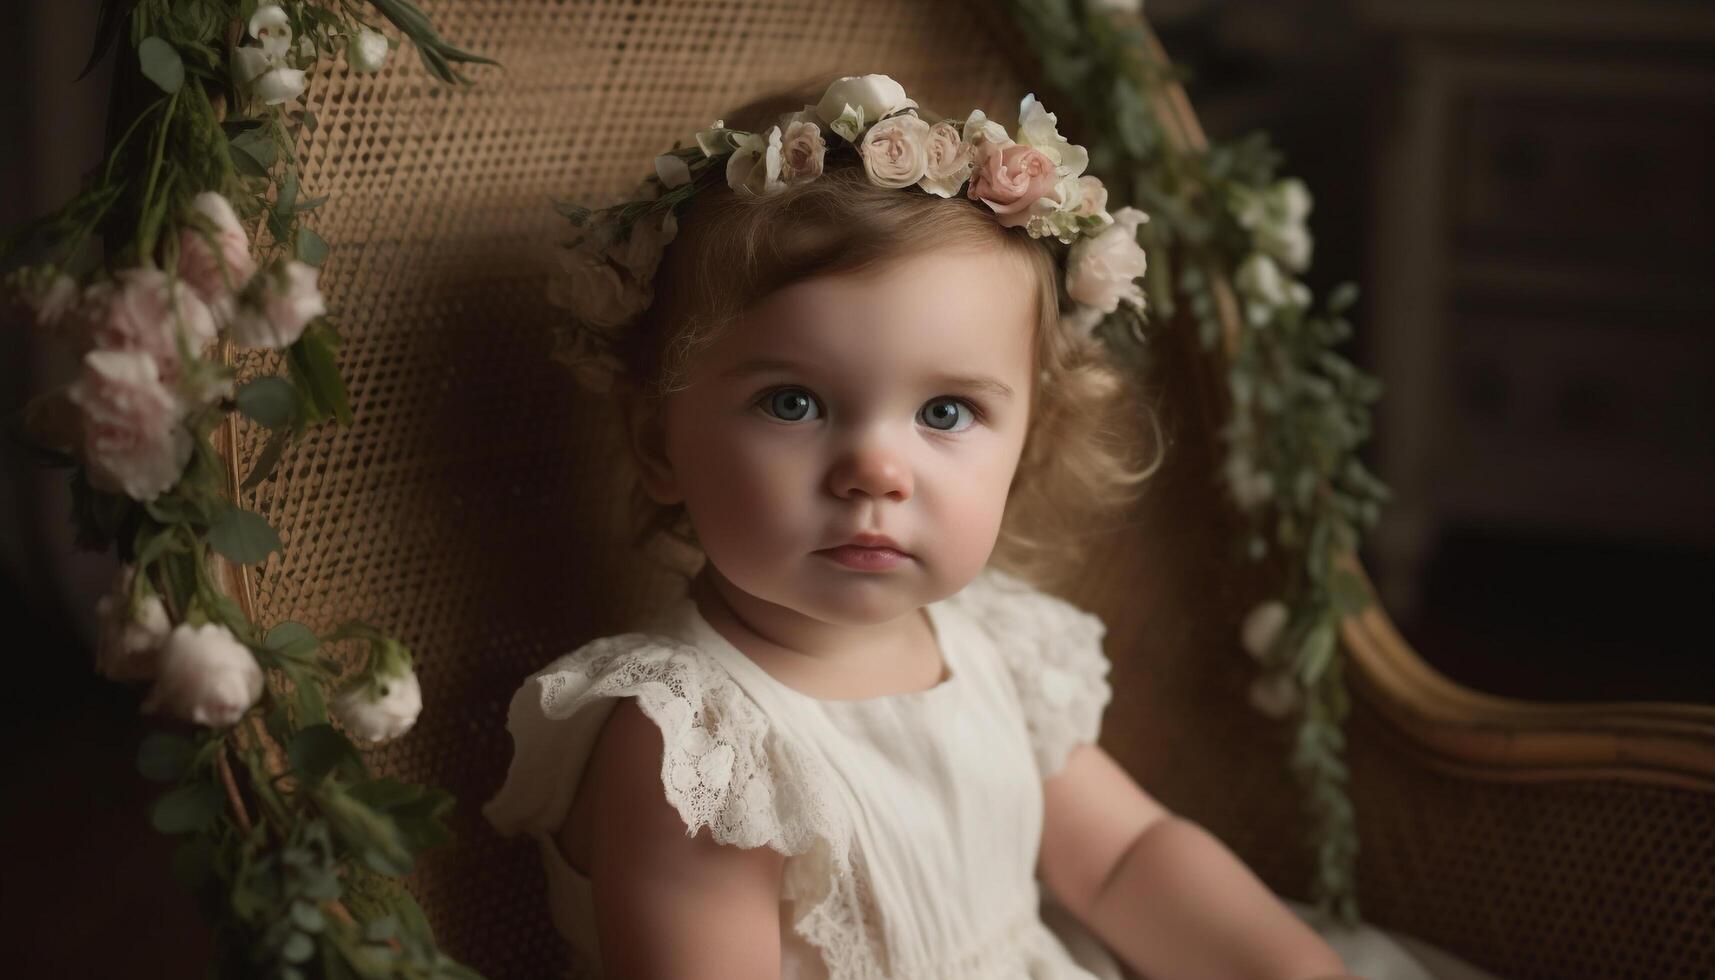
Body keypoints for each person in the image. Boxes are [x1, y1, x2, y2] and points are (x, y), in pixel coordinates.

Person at [483, 73, 1362, 979]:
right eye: (792, 401)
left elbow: (1123, 860)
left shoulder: (995, 648)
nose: (875, 470)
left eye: (944, 413)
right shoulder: (698, 751)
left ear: (1029, 443)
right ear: (657, 438)